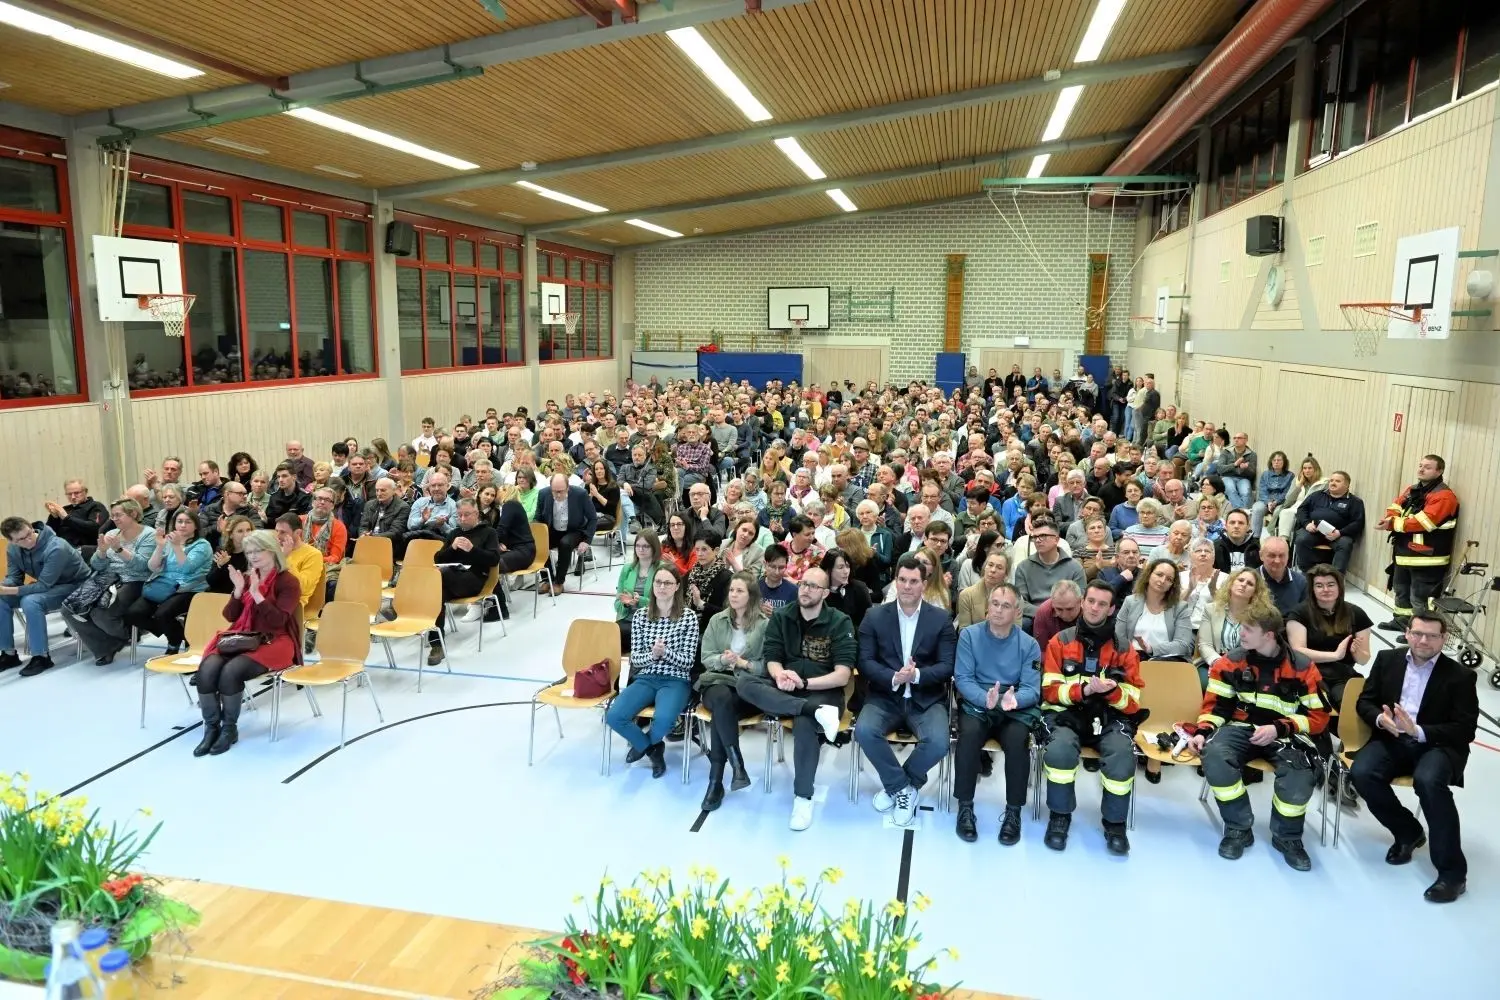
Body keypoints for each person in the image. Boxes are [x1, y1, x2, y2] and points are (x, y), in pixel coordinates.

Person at [1187, 605, 1326, 871]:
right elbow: (1216, 707)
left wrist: (1279, 728)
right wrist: (1203, 731)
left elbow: (1319, 718)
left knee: (1300, 773)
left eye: (1249, 629)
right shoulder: (1230, 662)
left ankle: (1287, 837)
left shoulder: (1303, 667)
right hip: (1241, 729)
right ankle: (1238, 827)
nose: (1241, 633)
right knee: (1215, 756)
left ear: (1270, 635)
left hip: (1286, 735)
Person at [1351, 613, 1478, 903]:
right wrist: (1381, 721)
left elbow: (1465, 728)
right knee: (1362, 772)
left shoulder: (1460, 676)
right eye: (1418, 633)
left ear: (1444, 640)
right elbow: (1365, 701)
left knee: (1429, 782)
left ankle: (1452, 875)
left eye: (1432, 635)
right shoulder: (1387, 659)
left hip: (1438, 745)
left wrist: (1419, 730)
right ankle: (1408, 832)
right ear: (1407, 633)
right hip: (1392, 738)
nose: (1424, 640)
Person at [735, 566, 855, 831]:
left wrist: (805, 683)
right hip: (789, 688)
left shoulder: (839, 621)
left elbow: (842, 675)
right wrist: (779, 676)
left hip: (823, 690)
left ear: (825, 592)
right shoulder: (782, 617)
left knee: (804, 724)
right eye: (803, 584)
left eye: (813, 586)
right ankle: (810, 709)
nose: (805, 589)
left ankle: (803, 796)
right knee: (745, 682)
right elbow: (772, 658)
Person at [1040, 580, 1143, 855]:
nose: (1095, 608)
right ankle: (1060, 816)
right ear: (1083, 602)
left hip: (1109, 718)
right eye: (1091, 601)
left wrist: (1112, 692)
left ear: (1111, 610)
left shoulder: (1124, 648)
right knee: (1059, 752)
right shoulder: (1059, 642)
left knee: (1122, 755)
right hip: (1068, 715)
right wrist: (1083, 690)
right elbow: (1050, 692)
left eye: (1102, 604)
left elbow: (1133, 702)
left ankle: (1114, 824)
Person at [853, 553, 957, 826]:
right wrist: (895, 677)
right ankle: (902, 789)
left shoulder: (940, 619)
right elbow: (864, 661)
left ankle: (901, 786)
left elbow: (947, 665)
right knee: (864, 731)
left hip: (926, 697)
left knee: (938, 742)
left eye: (914, 581)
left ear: (924, 583)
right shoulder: (874, 616)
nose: (907, 586)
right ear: (895, 582)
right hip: (885, 695)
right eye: (902, 580)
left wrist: (917, 675)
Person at [192, 529, 302, 756]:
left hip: (274, 641)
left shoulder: (288, 581)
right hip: (242, 637)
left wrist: (258, 595)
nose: (252, 556)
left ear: (272, 551)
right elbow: (231, 617)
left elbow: (278, 620)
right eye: (249, 551)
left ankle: (229, 729)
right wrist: (239, 590)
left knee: (231, 672)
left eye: (258, 551)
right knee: (207, 669)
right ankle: (211, 728)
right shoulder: (248, 576)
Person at [952, 581, 1040, 845]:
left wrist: (1011, 700)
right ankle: (965, 806)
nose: (999, 610)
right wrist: (984, 699)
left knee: (1017, 742)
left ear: (1017, 612)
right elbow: (963, 678)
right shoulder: (969, 635)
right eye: (995, 604)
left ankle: (1013, 812)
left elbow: (1032, 688)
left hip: (1014, 709)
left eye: (1006, 606)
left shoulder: (1029, 644)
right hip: (979, 704)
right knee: (968, 737)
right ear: (987, 608)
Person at [605, 565, 700, 779]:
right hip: (646, 676)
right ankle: (653, 750)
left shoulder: (688, 617)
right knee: (614, 716)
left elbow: (687, 662)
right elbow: (636, 658)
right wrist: (653, 656)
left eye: (667, 583)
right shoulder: (640, 616)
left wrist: (665, 653)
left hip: (675, 679)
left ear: (677, 587)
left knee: (664, 721)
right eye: (658, 582)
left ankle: (644, 745)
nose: (662, 587)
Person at [696, 571, 768, 811]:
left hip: (747, 687)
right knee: (721, 699)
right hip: (717, 681)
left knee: (721, 710)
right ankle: (726, 773)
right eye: (731, 590)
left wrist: (742, 663)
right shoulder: (717, 620)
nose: (734, 595)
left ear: (751, 596)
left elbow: (767, 665)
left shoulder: (764, 625)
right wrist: (724, 661)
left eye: (740, 591)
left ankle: (720, 779)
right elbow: (706, 658)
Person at [61, 499, 157, 665]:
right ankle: (107, 645)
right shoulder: (111, 534)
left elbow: (143, 566)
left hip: (134, 581)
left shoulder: (149, 534)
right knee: (69, 609)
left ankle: (126, 634)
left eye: (118, 515)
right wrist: (103, 552)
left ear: (133, 514)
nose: (114, 519)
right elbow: (97, 565)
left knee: (101, 612)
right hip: (106, 578)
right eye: (112, 516)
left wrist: (119, 549)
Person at [122, 509, 212, 657]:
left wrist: (177, 546)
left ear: (196, 526)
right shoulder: (169, 542)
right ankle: (179, 635)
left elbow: (187, 568)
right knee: (133, 614)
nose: (183, 525)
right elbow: (152, 566)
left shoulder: (202, 545)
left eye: (188, 522)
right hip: (164, 585)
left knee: (162, 614)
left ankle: (174, 642)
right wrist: (160, 546)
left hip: (189, 588)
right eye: (179, 521)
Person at [1286, 565, 1372, 714]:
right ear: (1312, 589)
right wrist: (1335, 655)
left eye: (1331, 584)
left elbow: (1364, 660)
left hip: (1342, 675)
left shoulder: (1356, 613)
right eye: (1319, 585)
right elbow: (1298, 652)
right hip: (1310, 673)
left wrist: (1357, 652)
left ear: (1340, 587)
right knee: (1321, 705)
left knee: (1355, 706)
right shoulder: (1299, 613)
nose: (1325, 589)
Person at [426, 500, 501, 666]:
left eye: (466, 515)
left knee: (437, 579)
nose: (462, 518)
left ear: (477, 514)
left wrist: (472, 550)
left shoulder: (489, 532)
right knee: (436, 594)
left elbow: (494, 559)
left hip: (476, 579)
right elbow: (438, 559)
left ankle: (400, 607)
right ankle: (437, 644)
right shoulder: (454, 533)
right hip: (450, 580)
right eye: (459, 515)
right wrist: (452, 548)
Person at [1115, 558, 1195, 660]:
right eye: (1159, 574)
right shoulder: (1130, 602)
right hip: (1133, 658)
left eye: (1169, 579)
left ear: (1172, 585)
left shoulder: (1180, 608)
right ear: (1148, 575)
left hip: (1168, 661)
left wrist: (1151, 649)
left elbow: (1182, 645)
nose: (1162, 581)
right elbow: (1119, 637)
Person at [533, 473, 597, 595]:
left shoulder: (580, 494)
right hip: (553, 529)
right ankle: (547, 579)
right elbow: (538, 517)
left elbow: (593, 518)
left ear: (568, 488)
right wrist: (537, 533)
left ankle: (559, 582)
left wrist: (587, 540)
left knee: (565, 543)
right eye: (554, 491)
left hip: (575, 530)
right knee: (537, 543)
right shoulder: (543, 494)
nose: (557, 495)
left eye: (561, 491)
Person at [1012, 516, 1086, 623]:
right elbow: (1021, 602)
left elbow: (1080, 598)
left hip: (1067, 613)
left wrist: (1060, 611)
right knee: (1024, 623)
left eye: (1043, 536)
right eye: (1034, 537)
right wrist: (1045, 613)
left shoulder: (1074, 567)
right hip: (1035, 616)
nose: (1037, 540)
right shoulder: (1023, 567)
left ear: (1056, 539)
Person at [1294, 470, 1365, 573]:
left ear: (1347, 485)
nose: (1332, 483)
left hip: (1338, 534)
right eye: (1331, 480)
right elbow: (1301, 510)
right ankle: (1308, 572)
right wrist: (1307, 524)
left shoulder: (1355, 502)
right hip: (1314, 531)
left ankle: (1336, 577)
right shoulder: (1317, 495)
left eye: (1337, 481)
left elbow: (1358, 522)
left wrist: (1340, 533)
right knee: (1301, 539)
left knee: (1345, 544)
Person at [274, 513, 324, 612]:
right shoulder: (274, 549)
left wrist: (286, 558)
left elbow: (302, 587)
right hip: (272, 597)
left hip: (294, 604)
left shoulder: (313, 555)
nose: (278, 536)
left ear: (298, 533)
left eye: (283, 532)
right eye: (277, 531)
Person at [44, 480, 108, 555]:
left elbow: (94, 527)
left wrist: (66, 518)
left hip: (83, 550)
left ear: (85, 492)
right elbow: (49, 533)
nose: (73, 497)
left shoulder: (96, 506)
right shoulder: (65, 509)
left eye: (77, 493)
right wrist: (54, 517)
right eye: (69, 494)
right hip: (60, 549)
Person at [686, 528, 732, 627]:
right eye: (697, 549)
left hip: (714, 628)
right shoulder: (691, 574)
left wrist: (701, 604)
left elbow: (728, 613)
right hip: (689, 625)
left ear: (716, 551)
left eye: (704, 549)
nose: (699, 554)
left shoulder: (727, 577)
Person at [823, 547, 872, 632]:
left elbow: (868, 621)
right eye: (840, 567)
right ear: (828, 570)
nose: (846, 571)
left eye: (847, 566)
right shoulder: (819, 589)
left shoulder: (859, 588)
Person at [359, 477, 411, 558]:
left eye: (383, 490)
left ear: (393, 491)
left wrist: (372, 537)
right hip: (368, 544)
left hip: (389, 548)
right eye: (377, 490)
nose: (379, 493)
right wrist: (363, 534)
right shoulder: (369, 505)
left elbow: (395, 532)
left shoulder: (403, 507)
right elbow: (363, 526)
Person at [955, 549, 1008, 629]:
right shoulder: (966, 595)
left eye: (999, 568)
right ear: (984, 567)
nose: (993, 570)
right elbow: (964, 631)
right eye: (990, 565)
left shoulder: (1015, 598)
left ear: (1006, 574)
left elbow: (1016, 633)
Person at [1180, 538, 1225, 631]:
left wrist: (1213, 590)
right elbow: (1174, 605)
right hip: (1183, 627)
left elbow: (1226, 608)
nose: (1203, 554)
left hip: (1211, 628)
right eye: (1198, 551)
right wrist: (1189, 589)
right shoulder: (1181, 576)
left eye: (1207, 551)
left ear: (1213, 557)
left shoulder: (1225, 578)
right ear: (1191, 556)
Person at [206, 514, 255, 594]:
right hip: (218, 594)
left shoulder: (255, 554)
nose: (246, 534)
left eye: (248, 530)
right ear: (231, 535)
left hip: (240, 597)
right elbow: (210, 581)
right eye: (240, 531)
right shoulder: (222, 551)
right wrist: (220, 566)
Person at [1257, 536, 1306, 615]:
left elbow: (1305, 615)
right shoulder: (1250, 580)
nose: (1277, 561)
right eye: (1272, 555)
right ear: (1261, 555)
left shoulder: (1301, 582)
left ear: (1288, 556)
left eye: (1282, 555)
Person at [1251, 450, 1293, 537]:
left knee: (1279, 512)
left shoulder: (1290, 476)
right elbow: (1262, 491)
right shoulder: (1265, 474)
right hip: (1265, 501)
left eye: (1279, 460)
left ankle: (1276, 540)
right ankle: (1254, 539)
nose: (1276, 462)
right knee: (1257, 509)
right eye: (1274, 460)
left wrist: (1276, 502)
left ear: (1284, 462)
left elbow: (1287, 493)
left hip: (1281, 502)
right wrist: (1269, 502)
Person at [1097, 535, 1143, 604]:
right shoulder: (1104, 573)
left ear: (1139, 555)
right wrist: (1121, 579)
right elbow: (1101, 597)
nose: (1131, 555)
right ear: (1117, 557)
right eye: (1126, 552)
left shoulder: (1145, 575)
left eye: (1135, 552)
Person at [758, 544, 798, 614]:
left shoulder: (794, 591)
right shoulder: (755, 587)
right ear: (765, 564)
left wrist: (777, 615)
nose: (777, 572)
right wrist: (759, 611)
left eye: (781, 567)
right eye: (772, 566)